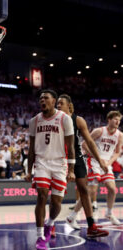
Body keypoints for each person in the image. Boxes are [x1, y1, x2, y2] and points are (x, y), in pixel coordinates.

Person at [25, 89, 75, 250]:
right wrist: (28, 170)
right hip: (42, 162)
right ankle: (40, 236)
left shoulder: (64, 119)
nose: (42, 100)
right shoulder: (34, 121)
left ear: (54, 101)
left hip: (60, 163)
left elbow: (71, 146)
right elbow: (31, 148)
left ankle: (50, 223)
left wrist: (72, 169)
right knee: (41, 195)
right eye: (40, 98)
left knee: (56, 202)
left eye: (46, 98)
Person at [57, 94, 109, 237]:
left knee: (84, 190)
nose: (58, 106)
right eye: (57, 104)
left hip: (77, 158)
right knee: (57, 192)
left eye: (61, 103)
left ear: (69, 105)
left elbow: (90, 142)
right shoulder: (55, 120)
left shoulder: (78, 120)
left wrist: (100, 160)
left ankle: (91, 226)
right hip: (60, 158)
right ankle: (51, 223)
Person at [82, 110, 123, 225]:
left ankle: (109, 213)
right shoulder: (99, 131)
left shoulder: (120, 135)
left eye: (119, 120)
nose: (118, 122)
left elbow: (117, 152)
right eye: (115, 119)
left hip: (106, 163)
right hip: (94, 161)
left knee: (112, 189)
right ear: (109, 120)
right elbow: (84, 144)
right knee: (91, 191)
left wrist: (108, 163)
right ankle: (76, 215)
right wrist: (96, 157)